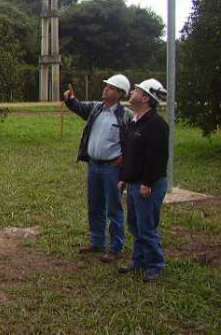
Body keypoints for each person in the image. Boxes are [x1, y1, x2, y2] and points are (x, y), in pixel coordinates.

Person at [64, 75, 133, 263]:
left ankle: (116, 247)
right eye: (106, 86)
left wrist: (125, 158)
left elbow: (134, 141)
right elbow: (79, 107)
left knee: (114, 207)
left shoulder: (125, 115)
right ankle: (97, 242)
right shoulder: (96, 108)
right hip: (94, 166)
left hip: (112, 169)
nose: (105, 89)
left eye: (110, 87)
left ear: (119, 93)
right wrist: (70, 99)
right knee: (94, 206)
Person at [118, 78, 169, 282]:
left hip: (148, 185)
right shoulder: (135, 121)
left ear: (146, 98)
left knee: (147, 226)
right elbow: (130, 153)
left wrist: (148, 182)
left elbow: (157, 157)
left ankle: (155, 265)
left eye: (137, 90)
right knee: (135, 225)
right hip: (132, 183)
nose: (132, 92)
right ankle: (138, 261)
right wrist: (124, 178)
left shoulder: (156, 124)